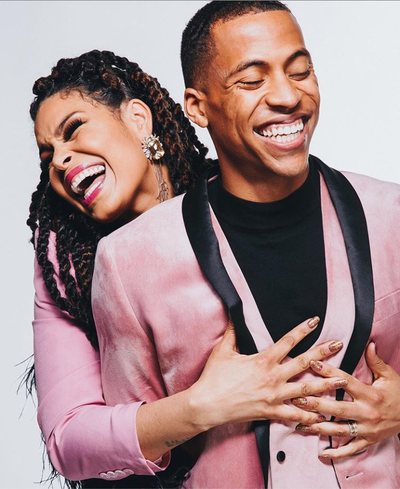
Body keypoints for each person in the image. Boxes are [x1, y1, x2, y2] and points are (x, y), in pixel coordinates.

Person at [92, 2, 400, 489]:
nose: (288, 95)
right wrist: (200, 408)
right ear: (198, 107)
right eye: (252, 80)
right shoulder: (128, 260)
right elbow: (125, 463)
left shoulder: (392, 214)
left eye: (300, 71)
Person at [29, 48, 345, 489]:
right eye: (48, 155)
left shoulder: (240, 202)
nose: (60, 160)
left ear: (138, 119)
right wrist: (202, 406)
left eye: (73, 129)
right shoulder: (65, 268)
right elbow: (69, 438)